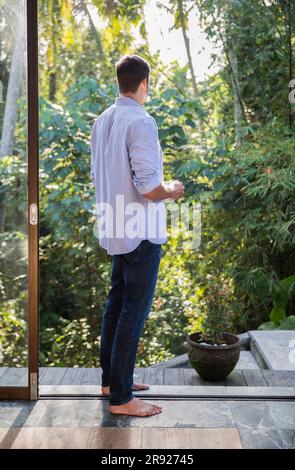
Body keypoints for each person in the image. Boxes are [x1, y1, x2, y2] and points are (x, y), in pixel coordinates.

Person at [90, 54, 184, 417]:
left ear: (119, 82)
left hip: (115, 226)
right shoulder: (141, 121)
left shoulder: (102, 122)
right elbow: (148, 188)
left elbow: (103, 176)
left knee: (116, 304)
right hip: (141, 232)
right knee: (133, 310)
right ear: (143, 83)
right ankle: (122, 399)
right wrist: (173, 188)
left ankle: (111, 381)